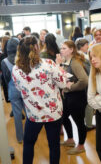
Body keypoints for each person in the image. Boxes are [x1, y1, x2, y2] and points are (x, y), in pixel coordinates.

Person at [12, 36, 71, 164]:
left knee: (28, 143)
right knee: (54, 144)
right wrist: (59, 65)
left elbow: (18, 87)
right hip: (53, 112)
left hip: (34, 113)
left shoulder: (16, 69)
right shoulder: (49, 64)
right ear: (37, 47)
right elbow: (61, 84)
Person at [59, 40, 88, 155]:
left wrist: (71, 88)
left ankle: (81, 146)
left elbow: (84, 80)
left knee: (79, 122)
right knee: (63, 117)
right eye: (61, 48)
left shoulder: (75, 62)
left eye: (64, 48)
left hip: (77, 97)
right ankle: (70, 139)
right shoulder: (67, 61)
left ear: (71, 50)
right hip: (69, 96)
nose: (61, 50)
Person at [2, 37, 24, 143]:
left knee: (17, 114)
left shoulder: (4, 61)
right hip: (25, 88)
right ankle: (30, 135)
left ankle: (20, 137)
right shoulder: (23, 58)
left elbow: (5, 78)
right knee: (29, 113)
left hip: (12, 88)